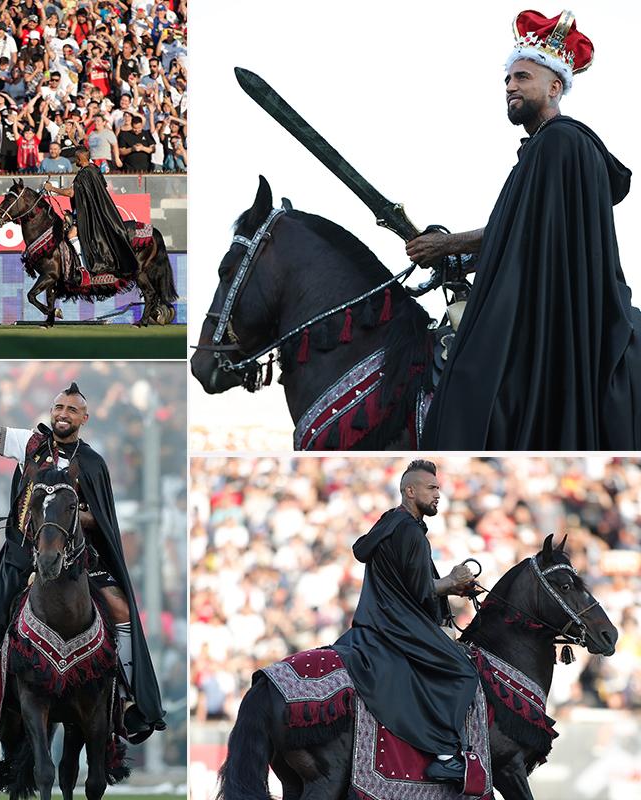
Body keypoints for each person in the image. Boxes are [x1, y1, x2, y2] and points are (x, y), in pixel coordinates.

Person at [412, 10, 640, 448]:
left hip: (557, 307)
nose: (510, 86)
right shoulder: (548, 147)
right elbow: (525, 234)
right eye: (507, 80)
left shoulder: (560, 142)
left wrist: (446, 245)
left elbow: (519, 230)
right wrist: (460, 255)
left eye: (522, 77)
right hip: (551, 294)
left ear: (555, 87)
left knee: (469, 375)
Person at [0, 366, 165, 742]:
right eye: (58, 407)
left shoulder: (93, 463)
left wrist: (68, 516)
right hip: (24, 554)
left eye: (71, 409)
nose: (62, 414)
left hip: (78, 558)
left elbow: (101, 519)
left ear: (84, 418)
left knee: (122, 610)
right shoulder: (29, 444)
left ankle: (126, 700)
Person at [332, 460, 479, 786]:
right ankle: (445, 755)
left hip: (374, 620)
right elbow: (421, 591)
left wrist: (451, 586)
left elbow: (406, 581)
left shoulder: (389, 521)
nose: (438, 494)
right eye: (431, 488)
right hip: (399, 624)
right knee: (463, 672)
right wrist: (453, 581)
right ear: (410, 491)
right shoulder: (411, 532)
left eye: (438, 488)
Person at [43, 146, 139, 276]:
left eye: (76, 158)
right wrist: (75, 142)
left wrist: (52, 188)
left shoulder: (83, 174)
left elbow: (71, 193)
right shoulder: (94, 169)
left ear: (80, 159)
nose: (75, 161)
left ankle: (83, 268)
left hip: (89, 214)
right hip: (97, 211)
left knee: (71, 235)